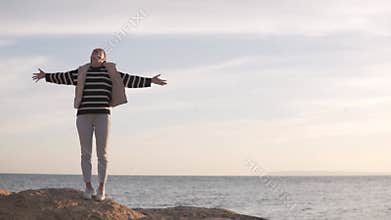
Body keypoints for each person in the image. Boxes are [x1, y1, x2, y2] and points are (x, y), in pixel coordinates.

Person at [32, 48, 167, 201]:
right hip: (83, 116)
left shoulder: (111, 72)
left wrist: (150, 81)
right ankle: (88, 186)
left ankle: (101, 187)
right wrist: (46, 76)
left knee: (102, 154)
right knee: (85, 153)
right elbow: (64, 77)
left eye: (99, 55)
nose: (95, 56)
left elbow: (129, 80)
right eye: (93, 54)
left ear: (104, 59)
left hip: (103, 115)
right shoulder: (82, 72)